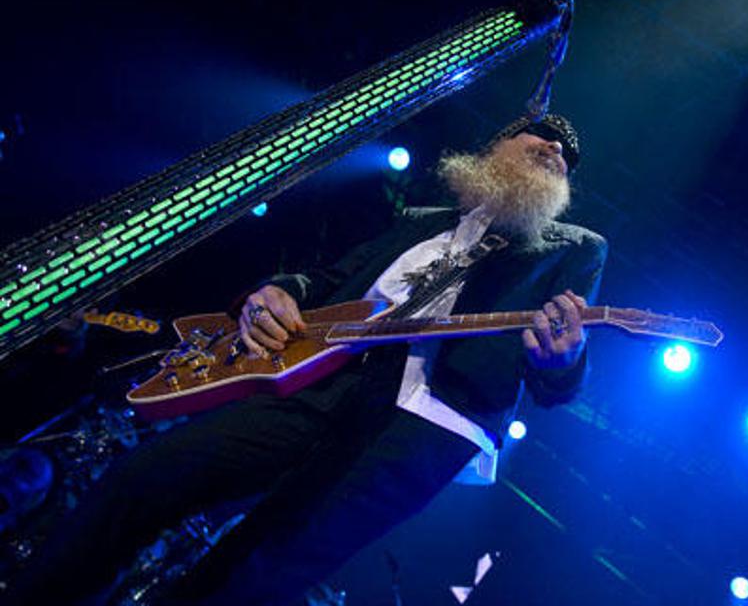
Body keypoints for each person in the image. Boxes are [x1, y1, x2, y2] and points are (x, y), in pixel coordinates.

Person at [7, 113, 607, 606]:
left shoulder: (575, 249)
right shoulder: (420, 221)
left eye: (568, 153)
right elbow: (327, 280)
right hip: (317, 379)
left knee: (256, 573)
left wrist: (564, 362)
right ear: (497, 147)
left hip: (425, 420)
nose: (557, 147)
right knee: (145, 477)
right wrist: (279, 290)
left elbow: (557, 375)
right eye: (541, 133)